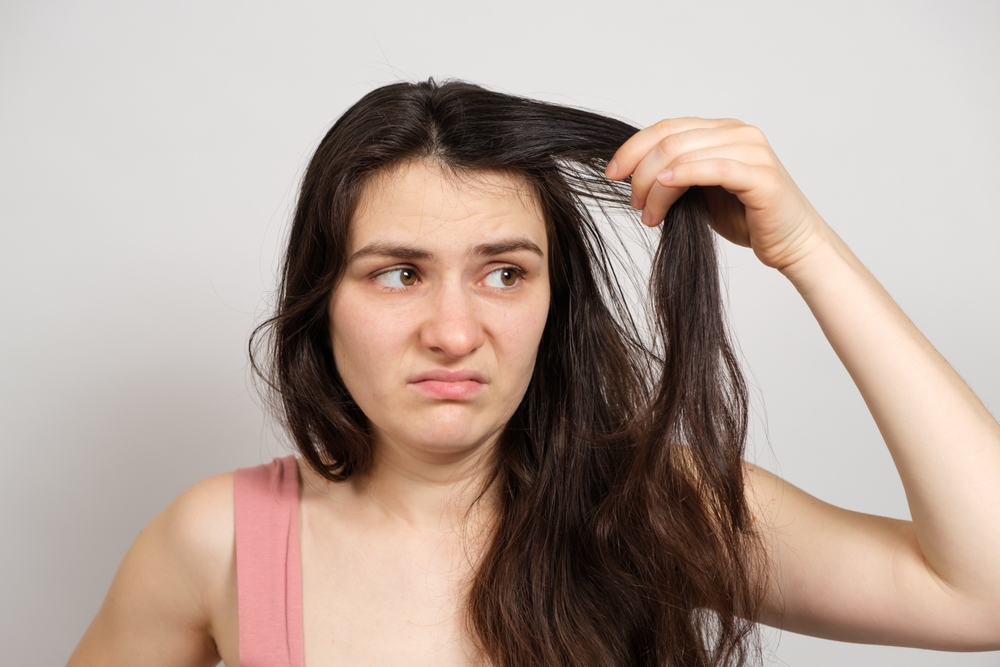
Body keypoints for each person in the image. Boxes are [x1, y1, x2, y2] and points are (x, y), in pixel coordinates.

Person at [66, 79, 1000, 667]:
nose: (452, 329)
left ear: (556, 303)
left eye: (503, 272)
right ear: (323, 299)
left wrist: (804, 246)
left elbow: (985, 595)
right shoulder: (218, 540)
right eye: (398, 272)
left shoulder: (650, 503)